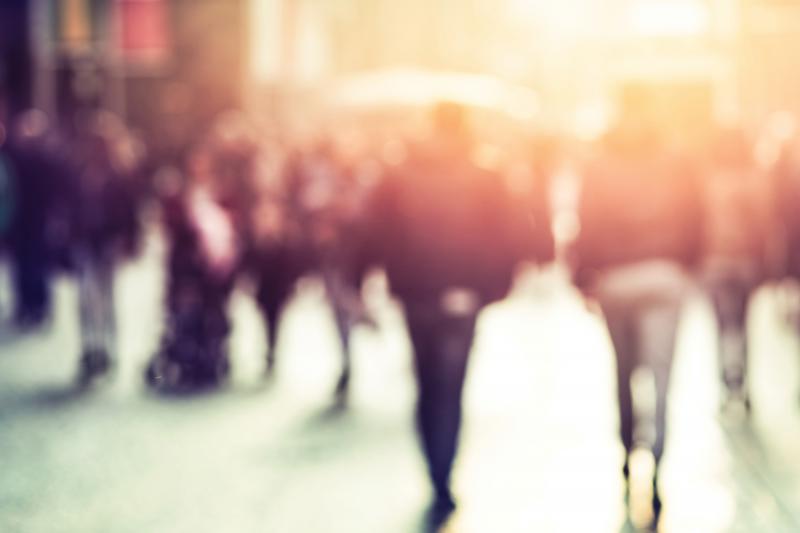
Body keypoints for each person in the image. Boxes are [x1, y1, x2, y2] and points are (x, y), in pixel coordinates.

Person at [361, 102, 554, 521]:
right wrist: (492, 286)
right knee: (450, 387)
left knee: (427, 383)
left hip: (417, 293)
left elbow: (374, 229)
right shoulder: (486, 172)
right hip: (464, 295)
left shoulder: (400, 170)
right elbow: (512, 231)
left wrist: (373, 276)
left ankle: (435, 470)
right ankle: (443, 473)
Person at [571, 110, 703, 524]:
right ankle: (659, 459)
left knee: (623, 371)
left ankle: (628, 452)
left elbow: (585, 221)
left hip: (615, 278)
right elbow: (696, 216)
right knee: (661, 376)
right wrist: (687, 265)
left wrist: (583, 277)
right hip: (664, 274)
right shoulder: (675, 161)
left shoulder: (598, 165)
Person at [701, 127, 775, 411]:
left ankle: (726, 384)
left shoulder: (708, 181)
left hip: (715, 263)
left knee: (722, 327)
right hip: (745, 263)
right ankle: (742, 386)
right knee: (742, 326)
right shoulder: (754, 181)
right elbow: (765, 224)